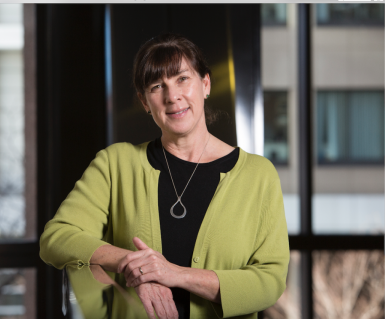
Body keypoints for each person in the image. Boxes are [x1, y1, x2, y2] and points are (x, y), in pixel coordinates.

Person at [40, 33, 289, 319]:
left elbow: (269, 282)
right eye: (158, 86)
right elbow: (56, 238)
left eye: (182, 79)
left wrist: (175, 274)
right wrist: (132, 263)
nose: (173, 96)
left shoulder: (258, 175)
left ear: (205, 84)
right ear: (145, 102)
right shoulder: (116, 164)